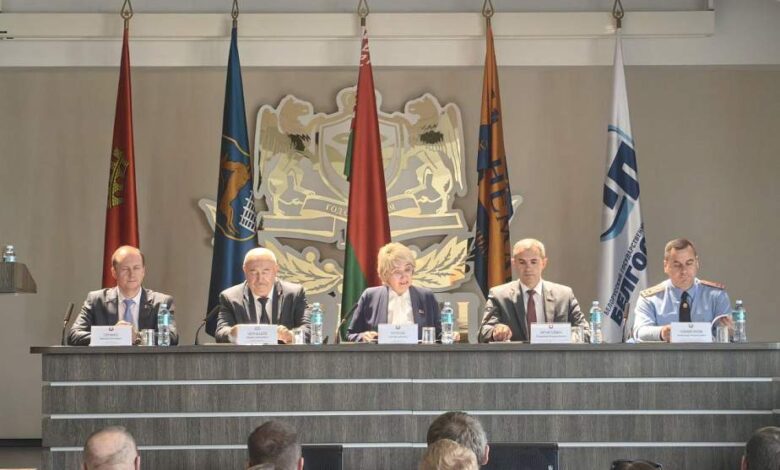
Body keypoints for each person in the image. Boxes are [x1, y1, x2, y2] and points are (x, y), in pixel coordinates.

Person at [478, 238, 589, 343]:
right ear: (514, 263)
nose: (528, 268)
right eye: (522, 262)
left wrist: (564, 336)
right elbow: (483, 333)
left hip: (556, 356)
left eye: (533, 262)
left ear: (543, 263)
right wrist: (495, 331)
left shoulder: (564, 295)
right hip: (515, 356)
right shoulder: (499, 295)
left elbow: (586, 332)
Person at [68, 246, 178, 346]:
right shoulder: (96, 300)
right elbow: (73, 336)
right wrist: (113, 335)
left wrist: (137, 337)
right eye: (125, 269)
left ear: (143, 271)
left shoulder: (161, 302)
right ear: (114, 272)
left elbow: (171, 338)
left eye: (136, 268)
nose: (132, 274)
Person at [347, 242, 452, 342]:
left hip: (419, 355)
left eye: (407, 269)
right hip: (381, 354)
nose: (404, 276)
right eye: (397, 272)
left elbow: (440, 334)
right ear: (385, 274)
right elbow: (351, 334)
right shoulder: (370, 296)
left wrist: (451, 335)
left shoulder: (426, 296)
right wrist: (363, 336)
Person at [633, 238, 732, 342]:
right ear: (666, 266)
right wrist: (661, 333)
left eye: (689, 263)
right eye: (677, 265)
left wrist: (730, 331)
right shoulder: (650, 298)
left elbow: (727, 335)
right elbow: (639, 331)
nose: (684, 271)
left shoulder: (716, 296)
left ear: (697, 263)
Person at [215, 247, 310, 344]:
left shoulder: (294, 294)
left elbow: (308, 329)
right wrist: (232, 333)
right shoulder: (230, 297)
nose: (260, 279)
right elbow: (220, 333)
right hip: (246, 353)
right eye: (253, 272)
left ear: (276, 269)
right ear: (244, 270)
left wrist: (291, 335)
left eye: (265, 271)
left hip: (284, 354)